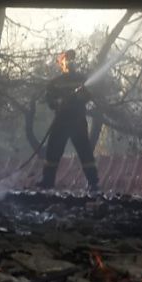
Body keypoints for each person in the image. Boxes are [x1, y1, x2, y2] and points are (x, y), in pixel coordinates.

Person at [36, 49, 100, 192]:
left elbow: (88, 96)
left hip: (77, 121)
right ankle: (47, 181)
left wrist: (77, 99)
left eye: (71, 61)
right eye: (67, 60)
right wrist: (57, 103)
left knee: (84, 151)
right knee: (53, 149)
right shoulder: (55, 82)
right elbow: (49, 98)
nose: (68, 64)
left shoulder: (82, 80)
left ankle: (93, 182)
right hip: (61, 121)